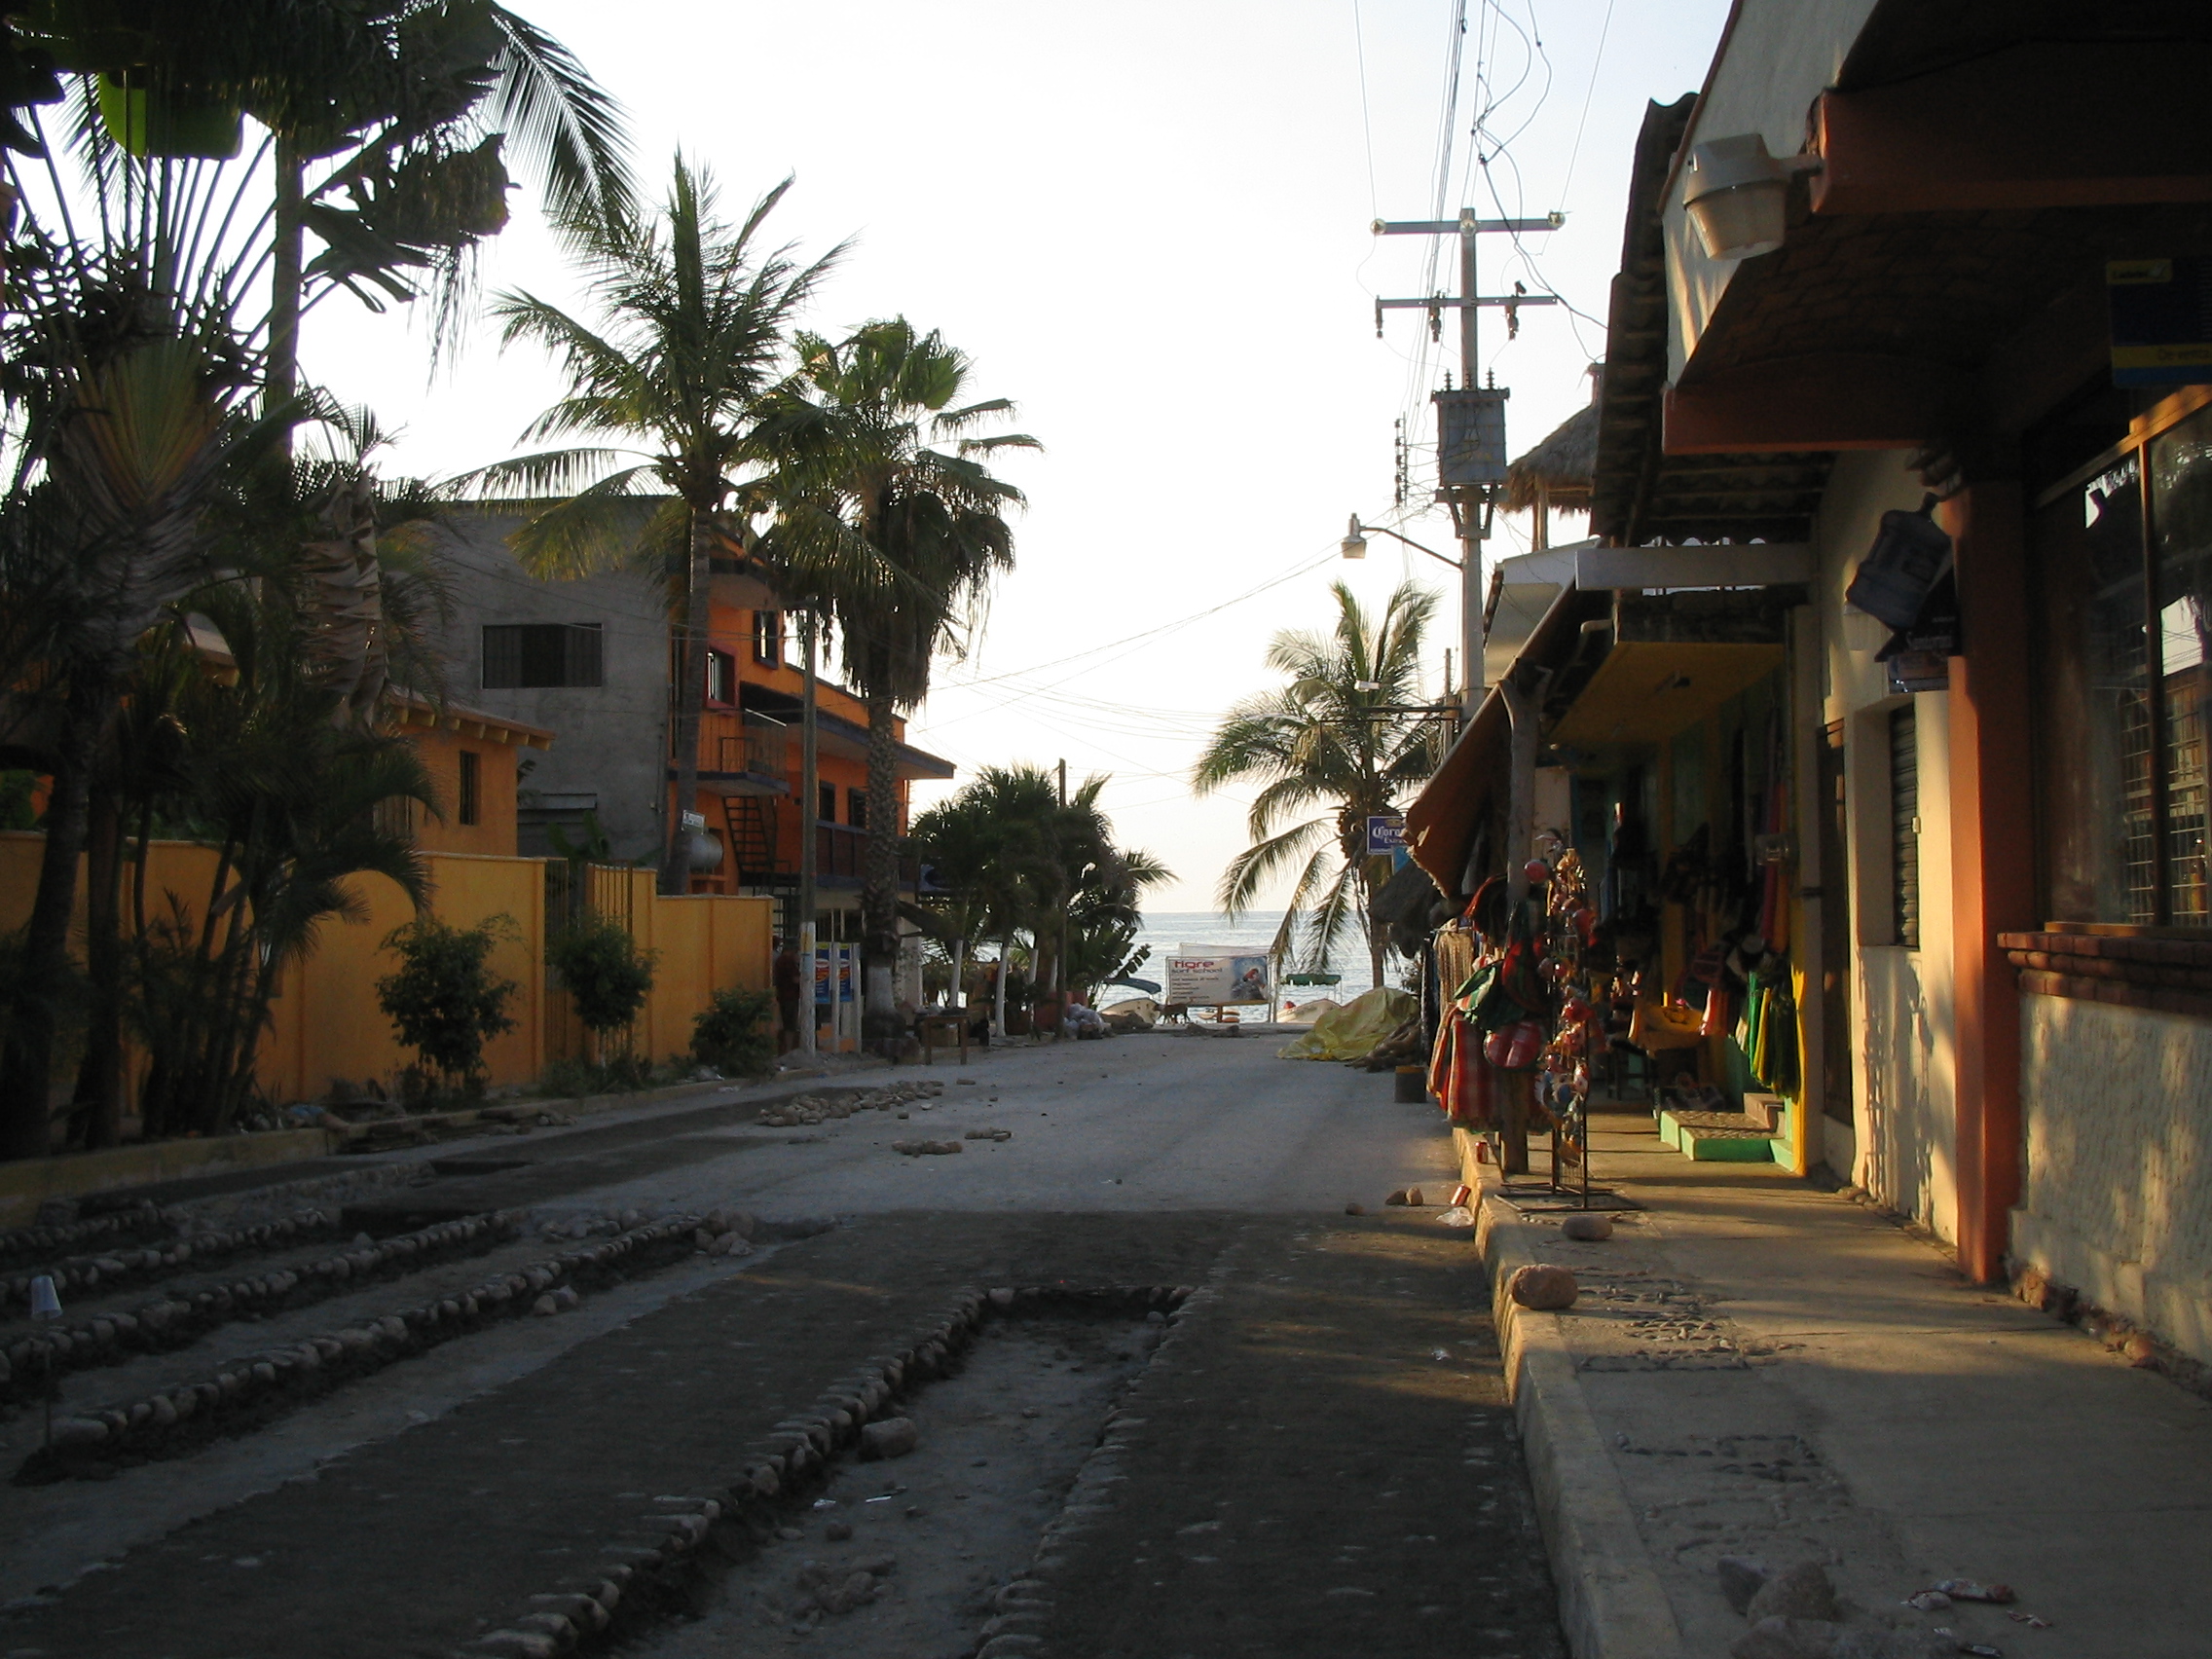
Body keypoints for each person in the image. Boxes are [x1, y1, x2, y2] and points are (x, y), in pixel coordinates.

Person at [773, 938, 803, 1053]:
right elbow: (795, 979)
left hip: (782, 995)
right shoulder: (788, 961)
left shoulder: (780, 960)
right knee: (790, 1025)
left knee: (786, 1023)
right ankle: (789, 1049)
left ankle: (786, 1048)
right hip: (790, 996)